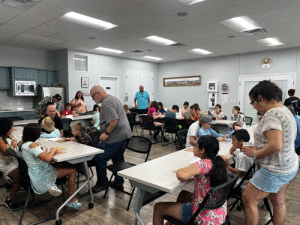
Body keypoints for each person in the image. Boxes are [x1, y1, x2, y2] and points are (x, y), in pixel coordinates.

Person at [242, 80, 298, 225]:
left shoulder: (272, 114)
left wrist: (255, 153)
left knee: (248, 199)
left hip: (274, 169)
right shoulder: (285, 110)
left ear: (260, 98)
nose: (254, 106)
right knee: (278, 201)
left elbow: (276, 146)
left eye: (253, 102)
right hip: (288, 166)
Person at [152, 136, 228, 225]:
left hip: (203, 217)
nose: (193, 146)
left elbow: (182, 176)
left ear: (202, 150)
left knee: (158, 207)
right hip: (218, 213)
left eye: (195, 145)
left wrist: (182, 170)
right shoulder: (219, 161)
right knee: (183, 194)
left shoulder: (202, 164)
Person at [18, 123, 82, 209]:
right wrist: (53, 150)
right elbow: (47, 159)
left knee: (63, 164)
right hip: (40, 175)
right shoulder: (32, 145)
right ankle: (71, 200)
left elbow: (41, 156)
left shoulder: (23, 144)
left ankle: (54, 184)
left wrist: (52, 153)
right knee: (73, 170)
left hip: (32, 172)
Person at [90, 85, 132, 193]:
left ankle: (102, 183)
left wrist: (106, 133)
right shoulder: (113, 98)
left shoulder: (106, 102)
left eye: (92, 97)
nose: (93, 99)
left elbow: (114, 120)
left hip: (116, 134)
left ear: (98, 94)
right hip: (124, 134)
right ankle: (118, 181)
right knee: (117, 158)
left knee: (99, 157)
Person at [0, 118, 20, 209]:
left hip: (11, 162)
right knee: (21, 178)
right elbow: (7, 152)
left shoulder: (4, 136)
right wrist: (13, 144)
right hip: (7, 166)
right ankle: (9, 200)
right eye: (11, 128)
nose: (12, 130)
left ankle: (10, 183)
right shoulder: (0, 139)